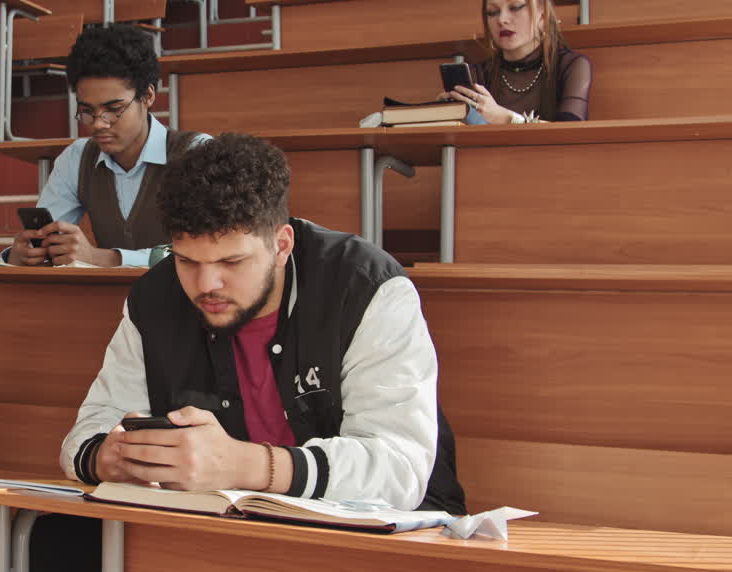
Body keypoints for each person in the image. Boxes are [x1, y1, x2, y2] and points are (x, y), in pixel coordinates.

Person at [62, 132, 466, 514]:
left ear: (282, 244)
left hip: (390, 539)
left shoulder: (365, 286)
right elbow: (85, 435)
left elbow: (399, 469)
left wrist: (246, 465)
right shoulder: (154, 297)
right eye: (186, 261)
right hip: (220, 531)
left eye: (231, 262)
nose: (206, 285)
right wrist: (108, 457)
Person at [5, 24, 209, 267]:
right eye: (87, 111)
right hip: (105, 300)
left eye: (113, 110)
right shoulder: (77, 158)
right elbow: (45, 241)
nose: (99, 124)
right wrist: (24, 255)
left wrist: (108, 258)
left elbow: (209, 250)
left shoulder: (197, 154)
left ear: (148, 96)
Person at [443, 0, 592, 124]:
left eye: (515, 7)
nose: (502, 19)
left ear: (543, 16)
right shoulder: (479, 74)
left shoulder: (571, 65)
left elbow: (570, 134)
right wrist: (449, 116)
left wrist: (508, 119)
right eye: (492, 12)